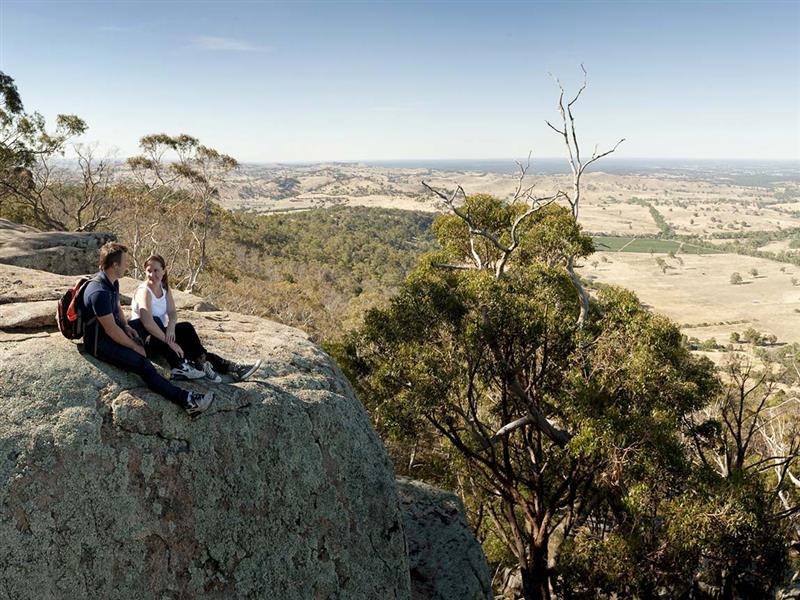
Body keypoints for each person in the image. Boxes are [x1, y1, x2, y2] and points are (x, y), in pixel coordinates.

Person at [82, 242, 214, 416]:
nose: (127, 265)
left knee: (156, 323)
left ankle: (179, 365)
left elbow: (118, 309)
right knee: (143, 364)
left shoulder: (112, 282)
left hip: (114, 331)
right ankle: (187, 401)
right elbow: (111, 330)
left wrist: (127, 326)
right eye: (125, 262)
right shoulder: (98, 291)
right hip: (100, 343)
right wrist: (134, 346)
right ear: (115, 265)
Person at [127, 254, 261, 384]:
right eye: (148, 271)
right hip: (146, 339)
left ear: (163, 271)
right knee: (170, 333)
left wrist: (172, 328)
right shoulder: (144, 291)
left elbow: (172, 312)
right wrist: (171, 343)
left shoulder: (164, 288)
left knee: (187, 331)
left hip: (161, 335)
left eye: (156, 270)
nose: (152, 274)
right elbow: (148, 323)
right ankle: (184, 367)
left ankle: (227, 367)